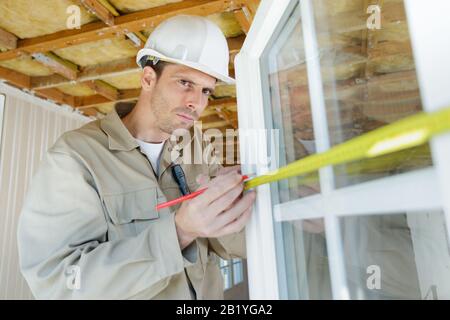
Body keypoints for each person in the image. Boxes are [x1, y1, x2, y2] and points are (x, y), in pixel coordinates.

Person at [17, 15, 256, 300]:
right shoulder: (76, 157)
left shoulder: (196, 145)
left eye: (206, 90)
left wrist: (239, 205)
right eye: (184, 82)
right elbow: (60, 282)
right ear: (148, 78)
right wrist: (179, 232)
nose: (197, 102)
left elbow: (226, 244)